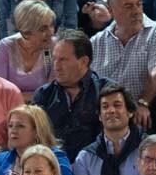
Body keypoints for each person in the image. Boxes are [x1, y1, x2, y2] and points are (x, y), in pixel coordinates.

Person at [92, 0, 156, 125]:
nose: (136, 11)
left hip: (139, 112)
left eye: (138, 4)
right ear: (110, 11)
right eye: (128, 6)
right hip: (104, 117)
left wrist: (143, 102)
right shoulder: (96, 42)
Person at [32, 31, 113, 161]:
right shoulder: (44, 95)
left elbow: (111, 139)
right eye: (55, 59)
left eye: (63, 60)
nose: (56, 67)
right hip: (51, 167)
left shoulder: (107, 92)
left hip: (95, 165)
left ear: (84, 61)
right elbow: (34, 139)